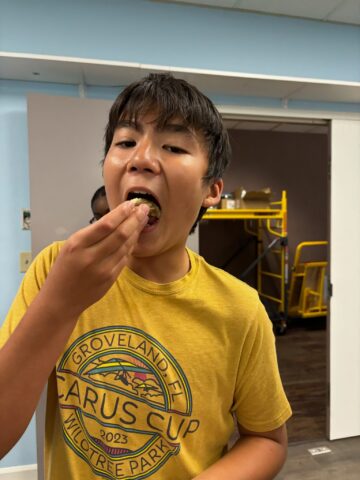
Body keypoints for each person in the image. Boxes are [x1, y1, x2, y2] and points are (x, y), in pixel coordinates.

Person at [0, 73, 291, 479]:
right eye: (125, 142)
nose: (141, 158)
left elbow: (268, 440)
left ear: (212, 190)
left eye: (173, 146)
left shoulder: (240, 309)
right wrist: (61, 303)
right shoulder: (55, 268)